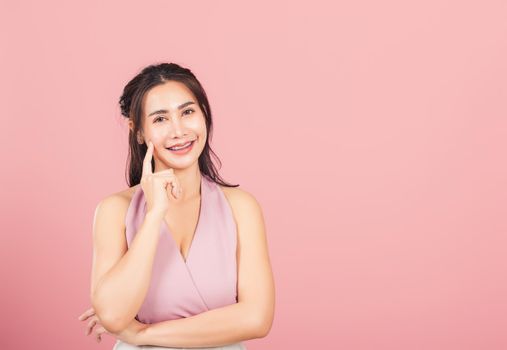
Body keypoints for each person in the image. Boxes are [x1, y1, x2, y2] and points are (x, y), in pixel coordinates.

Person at [77, 63, 275, 349]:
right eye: (160, 119)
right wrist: (154, 214)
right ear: (139, 131)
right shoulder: (115, 210)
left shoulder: (241, 207)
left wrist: (141, 334)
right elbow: (113, 314)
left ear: (204, 114)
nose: (179, 130)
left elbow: (257, 319)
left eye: (188, 112)